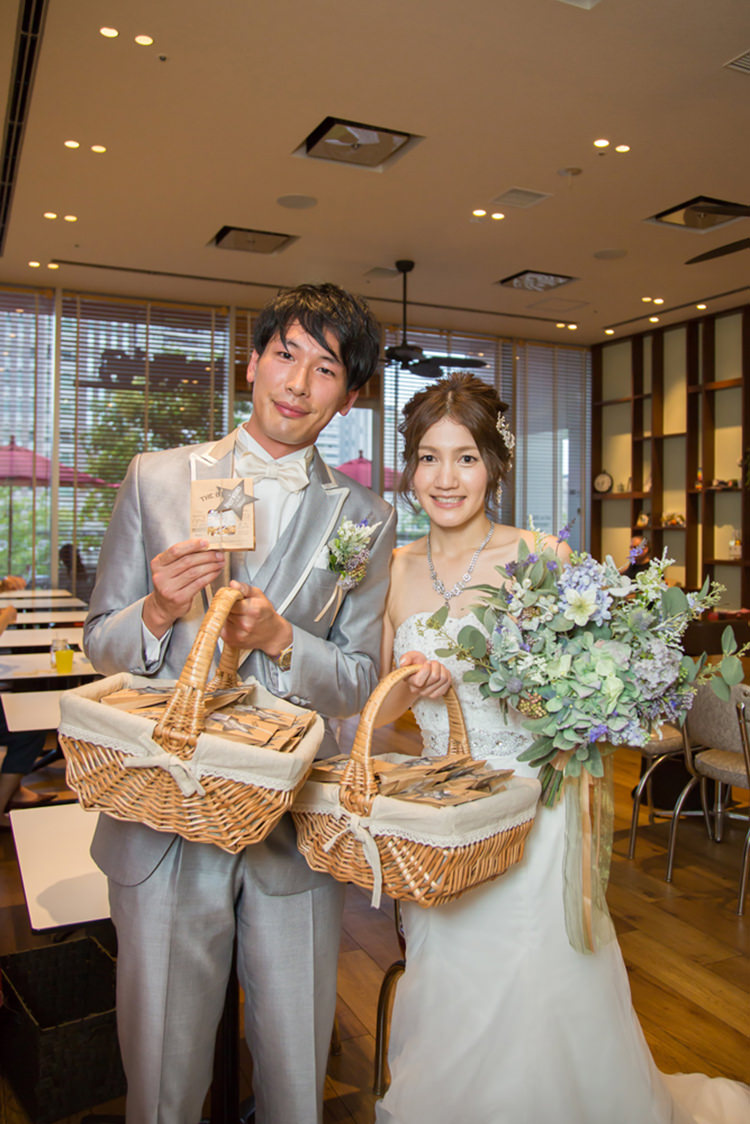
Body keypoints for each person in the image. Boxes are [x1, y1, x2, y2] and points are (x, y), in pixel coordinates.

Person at [374, 372, 750, 1124]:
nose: (446, 478)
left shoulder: (540, 557)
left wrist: (535, 693)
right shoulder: (394, 569)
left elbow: (586, 688)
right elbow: (376, 712)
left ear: (495, 466)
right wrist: (409, 691)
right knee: (452, 980)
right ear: (409, 468)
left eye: (466, 458)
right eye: (428, 458)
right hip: (447, 817)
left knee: (537, 980)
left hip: (535, 809)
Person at [84, 282, 396, 1124]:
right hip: (163, 817)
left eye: (326, 369)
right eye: (286, 355)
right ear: (252, 362)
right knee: (163, 1083)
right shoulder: (156, 479)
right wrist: (156, 611)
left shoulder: (366, 518)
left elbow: (361, 679)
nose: (297, 383)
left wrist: (285, 640)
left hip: (293, 830)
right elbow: (99, 642)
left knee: (296, 1080)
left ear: (349, 396)